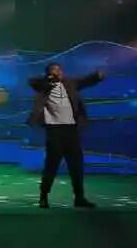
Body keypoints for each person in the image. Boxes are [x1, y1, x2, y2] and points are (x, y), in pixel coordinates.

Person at [27, 63, 104, 208]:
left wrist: (97, 76)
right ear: (48, 73)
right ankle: (43, 197)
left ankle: (79, 198)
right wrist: (49, 80)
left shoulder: (70, 83)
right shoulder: (43, 87)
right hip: (54, 131)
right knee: (51, 165)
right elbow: (32, 81)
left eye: (59, 70)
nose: (58, 72)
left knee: (76, 165)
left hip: (71, 130)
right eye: (54, 70)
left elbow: (85, 81)